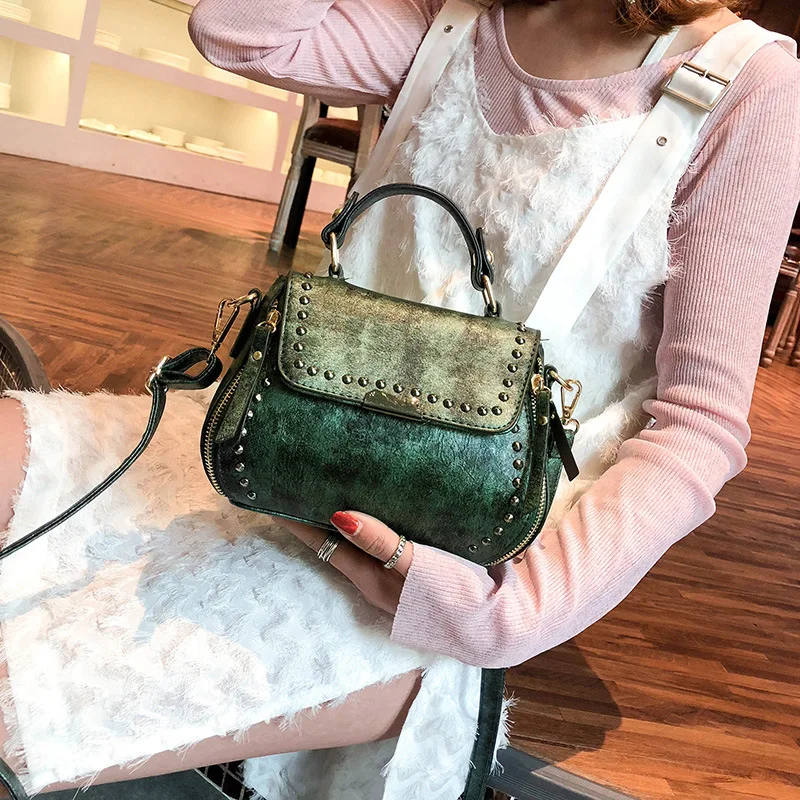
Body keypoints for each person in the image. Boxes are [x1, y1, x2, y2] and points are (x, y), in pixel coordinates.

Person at [0, 0, 798, 797]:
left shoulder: (745, 84)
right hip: (291, 429)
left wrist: (513, 614)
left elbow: (699, 423)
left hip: (469, 538)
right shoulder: (452, 19)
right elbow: (237, 32)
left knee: (30, 703)